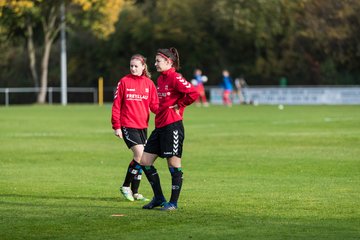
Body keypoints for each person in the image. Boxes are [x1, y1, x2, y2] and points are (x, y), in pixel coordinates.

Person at [140, 47, 199, 211]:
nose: (155, 64)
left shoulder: (175, 77)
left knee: (173, 165)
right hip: (159, 126)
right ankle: (159, 197)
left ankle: (173, 203)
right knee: (145, 161)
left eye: (158, 61)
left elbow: (193, 93)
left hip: (172, 126)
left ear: (168, 62)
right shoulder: (160, 79)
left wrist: (180, 105)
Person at [111, 54, 159, 202]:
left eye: (136, 66)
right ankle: (126, 186)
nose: (133, 68)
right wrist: (116, 126)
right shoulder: (124, 82)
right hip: (127, 125)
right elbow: (117, 104)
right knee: (140, 156)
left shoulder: (149, 83)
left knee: (142, 159)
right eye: (131, 66)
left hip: (142, 126)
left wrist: (168, 110)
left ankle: (135, 191)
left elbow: (155, 106)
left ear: (143, 67)